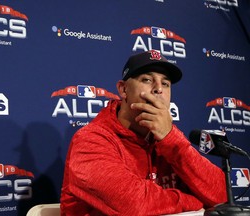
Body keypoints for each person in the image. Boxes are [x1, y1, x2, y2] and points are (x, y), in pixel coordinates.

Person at [60, 50, 227, 215]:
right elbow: (134, 204)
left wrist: (172, 140)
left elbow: (222, 195)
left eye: (165, 84)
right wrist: (194, 201)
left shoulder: (167, 137)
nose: (158, 89)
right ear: (123, 89)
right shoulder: (90, 140)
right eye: (147, 80)